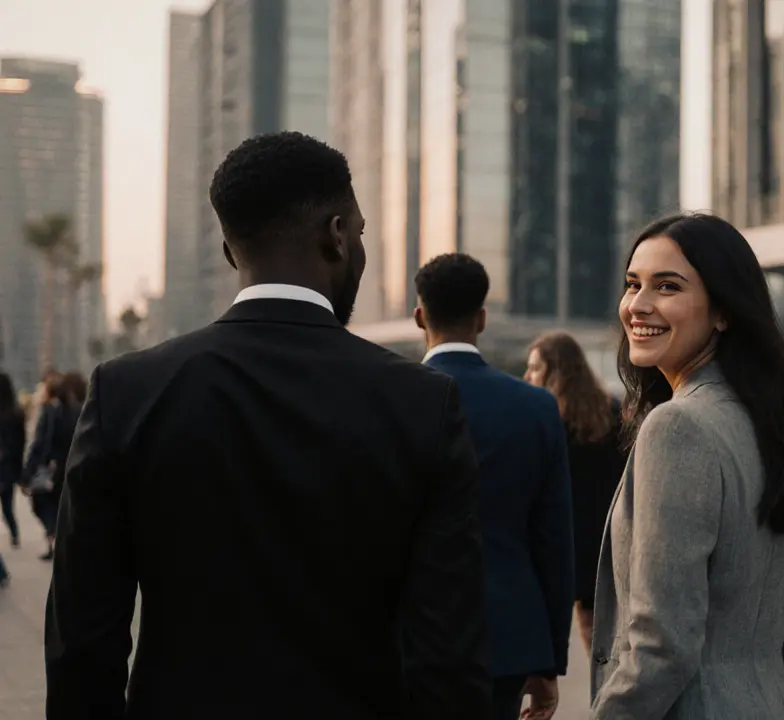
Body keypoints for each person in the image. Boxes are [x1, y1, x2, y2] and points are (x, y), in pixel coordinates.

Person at [44, 132, 491, 719]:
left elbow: (81, 641)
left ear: (232, 253)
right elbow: (449, 655)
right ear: (336, 234)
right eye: (359, 233)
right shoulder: (423, 401)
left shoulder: (125, 392)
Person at [591, 213, 784, 719]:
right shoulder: (782, 425)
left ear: (723, 311)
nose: (638, 305)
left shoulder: (678, 426)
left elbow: (661, 646)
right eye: (633, 284)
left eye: (667, 286)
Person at [417, 254, 574, 720]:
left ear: (420, 316)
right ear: (482, 319)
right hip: (506, 639)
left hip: (413, 637)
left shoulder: (391, 398)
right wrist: (549, 661)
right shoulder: (536, 407)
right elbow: (553, 541)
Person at [525, 330, 627, 654]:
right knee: (605, 640)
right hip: (611, 542)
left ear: (556, 372)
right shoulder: (613, 411)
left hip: (566, 545)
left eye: (535, 368)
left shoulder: (546, 421)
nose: (527, 376)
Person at [22, 371, 85, 561]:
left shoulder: (49, 412)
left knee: (42, 504)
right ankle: (60, 542)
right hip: (71, 466)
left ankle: (55, 540)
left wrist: (27, 473)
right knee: (63, 507)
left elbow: (40, 444)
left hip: (53, 468)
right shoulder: (77, 410)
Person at [0, 371, 23, 553]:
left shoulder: (11, 414)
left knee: (7, 505)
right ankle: (14, 531)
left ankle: (14, 531)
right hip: (9, 467)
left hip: (5, 466)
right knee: (7, 505)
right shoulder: (16, 413)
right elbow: (20, 444)